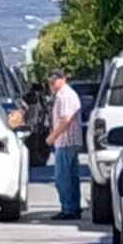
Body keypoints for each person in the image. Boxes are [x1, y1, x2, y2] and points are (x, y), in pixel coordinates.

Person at [45, 69, 83, 220]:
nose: (52, 84)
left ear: (63, 79)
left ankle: (68, 208)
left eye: (54, 81)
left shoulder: (64, 95)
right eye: (50, 81)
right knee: (71, 176)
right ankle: (73, 207)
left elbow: (65, 119)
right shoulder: (63, 94)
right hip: (68, 141)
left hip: (67, 141)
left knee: (62, 177)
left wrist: (52, 137)